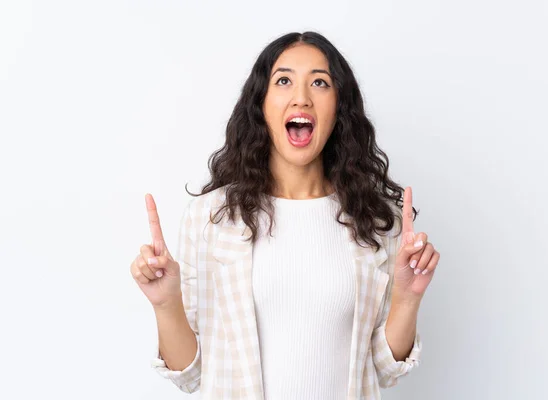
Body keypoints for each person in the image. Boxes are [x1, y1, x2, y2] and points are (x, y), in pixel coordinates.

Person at [130, 31, 440, 399]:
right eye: (284, 80)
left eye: (320, 83)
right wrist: (166, 304)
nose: (302, 97)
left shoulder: (374, 221)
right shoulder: (212, 217)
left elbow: (386, 370)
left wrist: (408, 297)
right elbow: (190, 374)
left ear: (339, 107)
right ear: (261, 103)